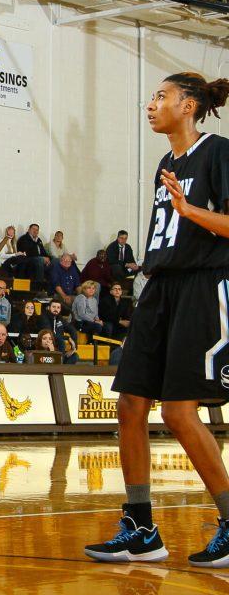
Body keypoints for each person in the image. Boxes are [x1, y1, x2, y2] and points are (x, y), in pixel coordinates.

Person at [85, 72, 229, 567]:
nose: (150, 105)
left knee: (177, 411)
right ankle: (142, 528)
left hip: (202, 286)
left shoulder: (219, 151)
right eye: (151, 97)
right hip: (160, 285)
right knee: (129, 404)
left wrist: (189, 210)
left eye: (161, 96)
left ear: (188, 105)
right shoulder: (166, 162)